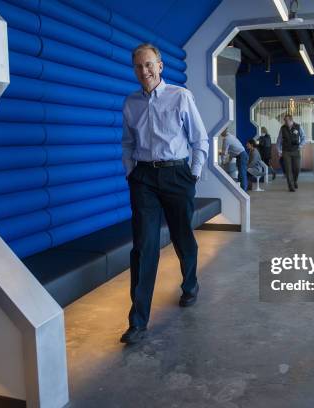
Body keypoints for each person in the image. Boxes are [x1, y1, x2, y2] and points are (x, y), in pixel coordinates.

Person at [120, 43, 209, 345]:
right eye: (138, 67)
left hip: (177, 175)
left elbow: (200, 139)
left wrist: (193, 175)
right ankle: (138, 321)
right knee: (143, 247)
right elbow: (127, 143)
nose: (144, 71)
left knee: (183, 237)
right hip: (144, 177)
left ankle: (191, 284)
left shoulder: (180, 97)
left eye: (148, 65)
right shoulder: (130, 103)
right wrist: (131, 172)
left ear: (160, 66)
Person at [276, 114, 306, 192]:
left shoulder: (298, 127)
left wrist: (300, 146)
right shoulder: (282, 128)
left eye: (286, 120)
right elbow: (279, 140)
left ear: (291, 120)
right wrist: (279, 151)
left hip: (296, 151)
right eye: (284, 120)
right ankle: (291, 186)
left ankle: (295, 181)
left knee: (297, 168)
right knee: (288, 169)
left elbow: (303, 137)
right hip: (286, 151)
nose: (285, 122)